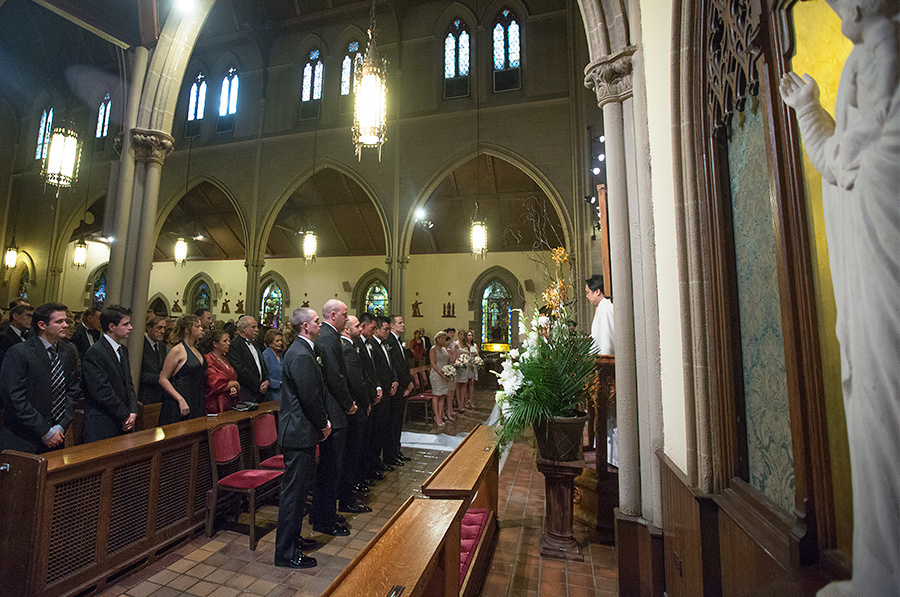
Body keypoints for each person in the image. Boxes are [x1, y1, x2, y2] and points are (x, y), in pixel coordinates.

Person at [781, 5, 900, 592]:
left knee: (887, 399)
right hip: (868, 263)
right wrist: (808, 108)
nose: (838, 10)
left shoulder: (884, 62)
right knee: (873, 407)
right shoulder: (862, 64)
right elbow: (839, 160)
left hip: (886, 257)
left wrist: (813, 115)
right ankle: (881, 566)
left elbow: (850, 159)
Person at [274, 307, 330, 570]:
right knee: (294, 495)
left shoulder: (302, 351)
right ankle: (285, 553)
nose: (320, 324)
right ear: (305, 326)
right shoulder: (301, 354)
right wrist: (323, 423)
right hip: (299, 431)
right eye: (317, 321)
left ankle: (294, 539)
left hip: (300, 431)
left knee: (298, 493)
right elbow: (309, 395)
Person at [0, 302, 79, 453]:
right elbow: (14, 396)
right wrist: (44, 430)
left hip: (57, 436)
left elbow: (71, 390)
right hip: (23, 437)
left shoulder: (67, 352)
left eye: (66, 321)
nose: (66, 325)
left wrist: (61, 425)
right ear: (42, 325)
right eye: (59, 321)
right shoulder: (20, 352)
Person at [311, 300, 356, 536]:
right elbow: (334, 375)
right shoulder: (328, 338)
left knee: (332, 468)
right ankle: (323, 520)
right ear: (333, 314)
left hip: (335, 409)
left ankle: (325, 513)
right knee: (330, 469)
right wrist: (348, 403)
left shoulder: (329, 335)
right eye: (345, 314)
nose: (347, 319)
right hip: (334, 410)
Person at [82, 305, 138, 443]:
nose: (130, 327)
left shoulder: (123, 350)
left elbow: (128, 384)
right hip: (102, 419)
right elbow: (101, 390)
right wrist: (125, 414)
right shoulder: (96, 352)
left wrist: (133, 410)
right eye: (126, 324)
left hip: (122, 418)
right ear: (112, 327)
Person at [337, 315, 374, 513]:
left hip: (355, 405)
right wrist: (366, 401)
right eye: (357, 326)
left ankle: (347, 494)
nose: (361, 329)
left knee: (354, 453)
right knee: (351, 454)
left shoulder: (352, 346)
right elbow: (355, 380)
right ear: (346, 329)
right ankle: (347, 498)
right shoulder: (348, 349)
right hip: (355, 407)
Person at [158, 314, 207, 425]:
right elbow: (163, 378)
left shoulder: (196, 349)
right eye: (197, 326)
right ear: (187, 329)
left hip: (197, 397)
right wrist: (180, 399)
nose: (201, 329)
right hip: (180, 399)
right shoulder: (177, 350)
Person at [357, 312, 385, 483]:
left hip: (371, 395)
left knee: (371, 437)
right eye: (373, 327)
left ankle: (368, 469)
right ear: (363, 326)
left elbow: (373, 371)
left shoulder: (368, 345)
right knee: (362, 442)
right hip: (363, 399)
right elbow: (360, 374)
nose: (375, 331)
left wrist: (378, 386)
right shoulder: (357, 344)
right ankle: (361, 474)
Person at [368, 315, 398, 472]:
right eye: (385, 329)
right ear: (377, 329)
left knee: (383, 428)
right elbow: (375, 371)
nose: (388, 332)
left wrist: (395, 380)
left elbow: (389, 366)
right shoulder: (372, 345)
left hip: (387, 391)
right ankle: (374, 462)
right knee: (377, 430)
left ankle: (378, 461)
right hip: (379, 393)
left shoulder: (384, 344)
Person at [386, 315, 413, 465]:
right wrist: (405, 383)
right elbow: (395, 366)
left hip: (403, 386)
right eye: (400, 323)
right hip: (398, 389)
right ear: (392, 325)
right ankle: (391, 454)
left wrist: (409, 381)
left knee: (397, 423)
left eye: (403, 322)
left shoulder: (396, 342)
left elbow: (404, 365)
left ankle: (397, 451)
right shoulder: (390, 341)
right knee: (393, 423)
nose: (403, 325)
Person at [227, 316, 269, 403]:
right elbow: (240, 369)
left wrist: (266, 380)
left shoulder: (254, 343)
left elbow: (261, 364)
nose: (257, 330)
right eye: (253, 327)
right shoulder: (235, 345)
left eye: (257, 327)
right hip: (246, 391)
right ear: (243, 329)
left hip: (260, 391)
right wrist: (258, 385)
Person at [202, 329, 239, 414]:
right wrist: (235, 384)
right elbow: (216, 384)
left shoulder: (224, 359)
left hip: (229, 402)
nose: (228, 343)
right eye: (225, 341)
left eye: (229, 341)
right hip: (215, 404)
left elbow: (231, 377)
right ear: (215, 344)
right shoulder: (208, 359)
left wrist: (233, 388)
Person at [140, 315, 169, 405]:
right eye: (159, 328)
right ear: (149, 328)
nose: (163, 331)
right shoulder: (141, 345)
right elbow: (137, 373)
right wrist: (160, 378)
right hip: (145, 394)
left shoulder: (162, 346)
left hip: (160, 395)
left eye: (164, 328)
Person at [428, 331, 453, 427]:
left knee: (442, 395)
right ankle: (437, 416)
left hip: (445, 373)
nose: (443, 340)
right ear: (437, 338)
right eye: (442, 338)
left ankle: (440, 415)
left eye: (444, 338)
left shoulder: (444, 349)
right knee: (437, 395)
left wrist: (449, 371)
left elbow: (449, 361)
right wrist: (441, 373)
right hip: (437, 374)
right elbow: (433, 363)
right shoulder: (433, 349)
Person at [585, 274, 614, 355]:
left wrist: (604, 357)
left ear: (597, 292)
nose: (587, 296)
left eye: (588, 292)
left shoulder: (605, 307)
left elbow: (606, 337)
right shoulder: (602, 307)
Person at [456, 330, 479, 410]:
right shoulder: (456, 344)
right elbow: (456, 355)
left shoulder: (467, 345)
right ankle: (461, 404)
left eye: (463, 334)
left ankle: (465, 403)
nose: (462, 336)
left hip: (468, 365)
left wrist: (471, 362)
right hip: (460, 365)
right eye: (461, 334)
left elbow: (470, 355)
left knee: (466, 384)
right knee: (459, 385)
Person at [262, 329, 284, 402]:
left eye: (281, 340)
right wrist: (279, 383)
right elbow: (265, 377)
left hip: (282, 393)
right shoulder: (266, 355)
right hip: (272, 394)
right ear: (270, 342)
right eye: (277, 341)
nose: (280, 343)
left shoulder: (279, 355)